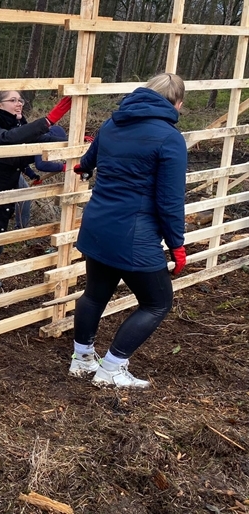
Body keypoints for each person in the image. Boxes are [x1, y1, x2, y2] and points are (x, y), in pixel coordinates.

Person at [68, 73, 187, 389]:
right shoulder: (169, 137)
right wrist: (177, 244)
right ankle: (112, 368)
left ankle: (81, 360)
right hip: (134, 236)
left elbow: (88, 159)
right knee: (157, 303)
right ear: (177, 103)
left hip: (97, 227)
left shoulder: (112, 124)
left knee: (95, 294)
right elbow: (169, 199)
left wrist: (84, 168)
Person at [0, 90, 73, 288]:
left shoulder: (17, 126)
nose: (19, 104)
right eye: (13, 100)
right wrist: (48, 120)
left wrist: (75, 144)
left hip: (0, 200)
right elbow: (9, 138)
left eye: (20, 100)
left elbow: (38, 142)